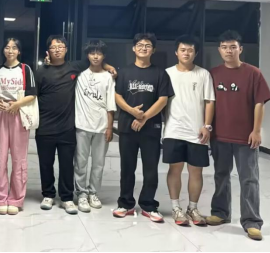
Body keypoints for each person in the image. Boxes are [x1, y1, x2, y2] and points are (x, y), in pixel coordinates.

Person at [35, 35, 116, 215]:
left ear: (66, 49)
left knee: (67, 165)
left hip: (67, 127)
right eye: (53, 47)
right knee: (46, 164)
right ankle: (48, 194)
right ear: (48, 51)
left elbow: (96, 61)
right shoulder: (41, 72)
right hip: (45, 126)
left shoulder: (74, 68)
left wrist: (109, 67)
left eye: (61, 46)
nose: (57, 49)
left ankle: (67, 197)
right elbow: (34, 97)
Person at [206, 30, 270, 241]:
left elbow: (259, 103)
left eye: (233, 47)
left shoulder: (253, 73)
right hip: (219, 136)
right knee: (221, 175)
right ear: (219, 50)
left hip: (246, 138)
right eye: (224, 47)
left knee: (249, 179)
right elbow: (209, 103)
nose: (229, 51)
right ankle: (220, 212)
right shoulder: (213, 74)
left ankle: (252, 221)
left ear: (240, 49)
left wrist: (256, 130)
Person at [113, 33, 173, 223]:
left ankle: (148, 205)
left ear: (153, 50)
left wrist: (144, 117)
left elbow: (163, 99)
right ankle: (126, 203)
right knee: (127, 168)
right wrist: (132, 111)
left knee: (151, 170)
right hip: (127, 126)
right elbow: (117, 96)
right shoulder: (124, 72)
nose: (143, 48)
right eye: (140, 45)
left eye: (147, 45)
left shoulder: (160, 73)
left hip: (151, 128)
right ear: (134, 48)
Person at [163, 35, 215, 226]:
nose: (186, 53)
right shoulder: (167, 73)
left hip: (197, 132)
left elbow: (209, 101)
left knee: (196, 171)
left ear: (196, 53)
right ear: (176, 52)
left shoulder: (203, 74)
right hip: (173, 130)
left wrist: (206, 125)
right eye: (183, 50)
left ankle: (193, 208)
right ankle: (176, 207)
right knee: (174, 169)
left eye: (190, 50)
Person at [0, 38, 37, 215]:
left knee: (19, 159)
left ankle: (16, 198)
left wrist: (17, 104)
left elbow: (32, 94)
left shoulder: (25, 69)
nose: (10, 50)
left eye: (14, 48)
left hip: (19, 113)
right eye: (7, 47)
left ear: (19, 51)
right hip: (1, 114)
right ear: (3, 50)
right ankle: (0, 198)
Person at [74, 40, 116, 213]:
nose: (96, 56)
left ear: (104, 56)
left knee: (98, 163)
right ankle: (81, 194)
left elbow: (111, 104)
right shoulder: (79, 74)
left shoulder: (108, 77)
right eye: (92, 53)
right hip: (82, 125)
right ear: (87, 55)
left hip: (101, 126)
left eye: (99, 53)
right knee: (81, 163)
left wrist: (109, 127)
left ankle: (93, 193)